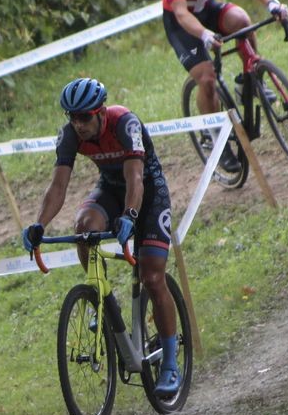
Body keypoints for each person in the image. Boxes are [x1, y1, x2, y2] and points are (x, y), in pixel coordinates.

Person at [22, 78, 181, 396]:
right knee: (84, 228)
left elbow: (135, 177)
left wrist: (131, 215)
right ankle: (100, 299)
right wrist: (39, 224)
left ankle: (171, 364)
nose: (78, 124)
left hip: (147, 192)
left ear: (101, 113)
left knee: (152, 276)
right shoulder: (69, 135)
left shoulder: (125, 122)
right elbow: (58, 187)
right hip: (110, 188)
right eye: (72, 117)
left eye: (84, 117)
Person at [160, 0, 288, 167]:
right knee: (207, 79)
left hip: (206, 8)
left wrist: (272, 3)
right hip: (182, 24)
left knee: (242, 21)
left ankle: (249, 81)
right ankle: (215, 137)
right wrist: (205, 35)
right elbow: (180, 13)